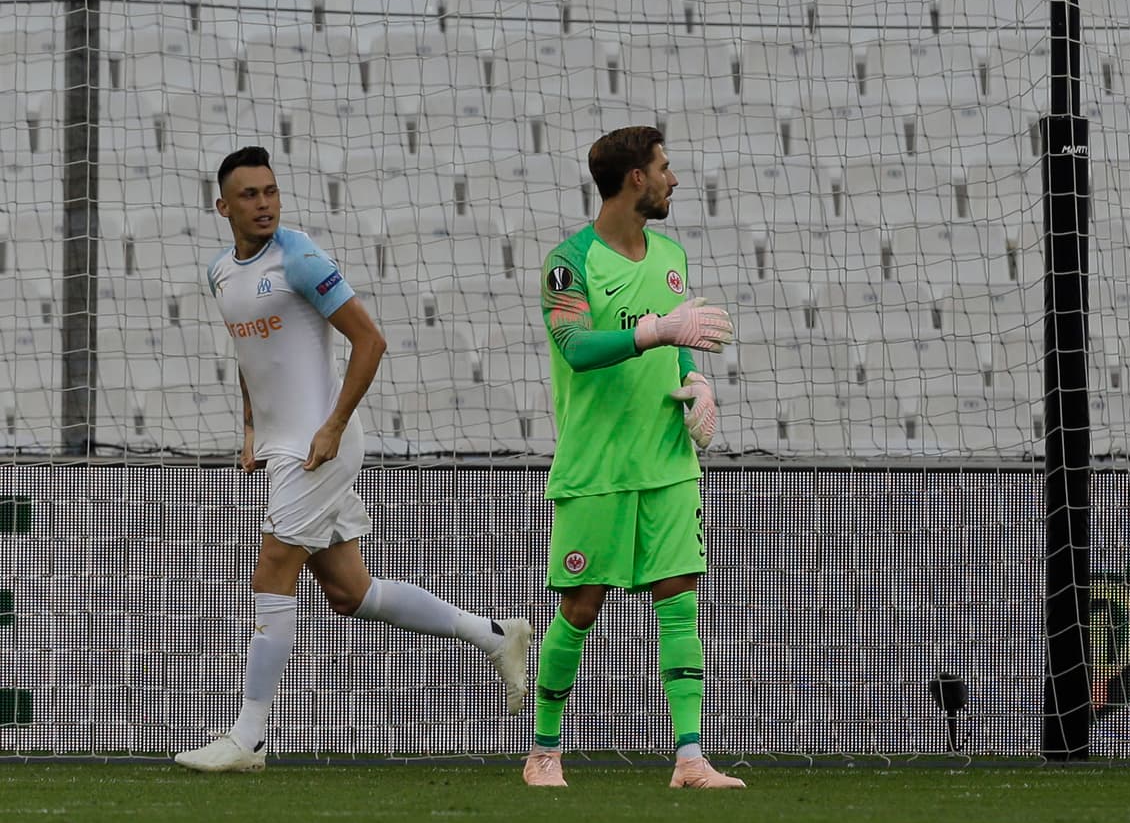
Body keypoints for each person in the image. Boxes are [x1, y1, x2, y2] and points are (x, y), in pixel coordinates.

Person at [175, 146, 530, 773]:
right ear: (223, 206)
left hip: (321, 444)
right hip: (282, 445)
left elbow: (371, 340)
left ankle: (249, 738)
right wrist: (251, 426)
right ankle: (495, 635)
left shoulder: (300, 258)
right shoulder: (220, 273)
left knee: (272, 566)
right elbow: (251, 356)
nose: (264, 204)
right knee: (349, 591)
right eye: (250, 195)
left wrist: (334, 426)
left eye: (271, 191)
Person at [522, 127, 744, 789]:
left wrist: (695, 384)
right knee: (582, 606)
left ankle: (690, 757)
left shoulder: (671, 255)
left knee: (679, 603)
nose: (675, 179)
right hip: (598, 468)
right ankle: (543, 753)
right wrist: (654, 332)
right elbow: (575, 346)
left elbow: (677, 344)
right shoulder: (570, 261)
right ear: (635, 179)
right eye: (664, 168)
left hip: (668, 462)